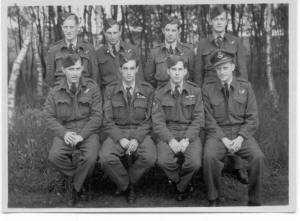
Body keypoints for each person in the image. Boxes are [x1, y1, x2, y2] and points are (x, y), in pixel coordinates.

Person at [202, 50, 264, 206]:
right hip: (218, 134)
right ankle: (213, 197)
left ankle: (254, 200)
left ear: (232, 67)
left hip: (241, 134)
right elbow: (208, 119)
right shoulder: (208, 89)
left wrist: (241, 137)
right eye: (218, 69)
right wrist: (222, 138)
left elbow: (252, 118)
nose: (221, 72)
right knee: (209, 157)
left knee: (258, 157)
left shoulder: (245, 87)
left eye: (225, 68)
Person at [194, 5, 249, 183]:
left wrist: (242, 90)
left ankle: (239, 167)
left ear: (226, 21)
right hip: (210, 90)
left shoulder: (235, 41)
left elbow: (242, 69)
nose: (219, 22)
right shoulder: (203, 43)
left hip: (231, 88)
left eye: (222, 19)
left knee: (236, 121)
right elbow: (197, 71)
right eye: (216, 19)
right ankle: (210, 165)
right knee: (210, 125)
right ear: (211, 21)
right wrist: (198, 93)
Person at [44, 54, 102, 206]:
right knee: (55, 156)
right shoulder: (55, 91)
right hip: (66, 130)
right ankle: (79, 182)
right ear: (64, 70)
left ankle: (74, 188)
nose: (75, 73)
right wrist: (64, 133)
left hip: (87, 131)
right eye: (71, 69)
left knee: (90, 158)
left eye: (78, 68)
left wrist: (82, 136)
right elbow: (49, 117)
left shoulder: (92, 87)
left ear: (82, 68)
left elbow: (97, 117)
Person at [99, 50, 156, 204]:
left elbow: (150, 120)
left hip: (140, 132)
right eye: (125, 68)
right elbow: (107, 120)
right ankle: (127, 185)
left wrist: (137, 139)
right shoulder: (110, 90)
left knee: (150, 157)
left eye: (132, 68)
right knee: (105, 158)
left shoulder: (148, 89)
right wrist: (121, 139)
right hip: (118, 131)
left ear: (137, 69)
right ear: (120, 70)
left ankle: (126, 183)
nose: (129, 73)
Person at [152, 54, 204, 201]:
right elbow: (158, 122)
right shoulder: (160, 93)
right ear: (168, 71)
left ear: (185, 71)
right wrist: (171, 141)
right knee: (163, 161)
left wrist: (187, 139)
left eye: (180, 69)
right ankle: (181, 182)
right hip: (169, 133)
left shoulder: (195, 91)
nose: (176, 72)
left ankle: (179, 186)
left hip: (190, 133)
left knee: (195, 163)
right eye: (173, 69)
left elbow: (198, 119)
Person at [46, 13, 98, 87]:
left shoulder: (88, 48)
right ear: (62, 28)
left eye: (71, 27)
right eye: (66, 27)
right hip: (61, 93)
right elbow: (50, 79)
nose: (68, 30)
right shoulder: (54, 50)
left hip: (84, 92)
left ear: (77, 28)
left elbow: (95, 76)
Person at [145, 15, 195, 88]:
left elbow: (193, 74)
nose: (170, 34)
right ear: (163, 31)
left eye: (173, 30)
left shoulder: (188, 51)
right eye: (167, 30)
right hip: (161, 93)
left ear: (179, 31)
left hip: (183, 91)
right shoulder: (154, 52)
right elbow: (149, 77)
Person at [96, 18, 143, 91]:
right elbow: (97, 82)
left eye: (115, 33)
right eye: (109, 33)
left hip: (129, 94)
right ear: (104, 33)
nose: (112, 36)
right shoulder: (98, 53)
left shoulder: (133, 50)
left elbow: (140, 78)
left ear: (120, 32)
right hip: (108, 96)